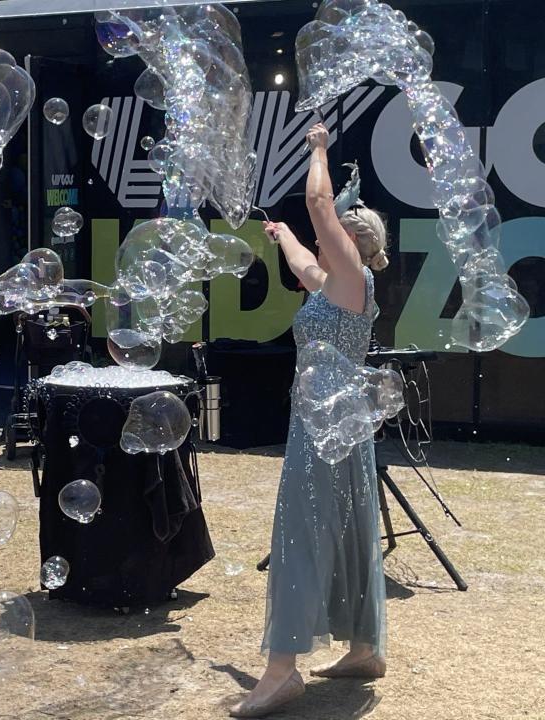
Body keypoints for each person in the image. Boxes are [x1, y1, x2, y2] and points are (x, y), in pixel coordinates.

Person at [229, 123, 390, 718]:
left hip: (323, 429)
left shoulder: (353, 278)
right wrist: (284, 235)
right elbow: (304, 257)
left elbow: (321, 203)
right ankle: (365, 649)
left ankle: (281, 672)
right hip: (339, 426)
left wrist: (319, 149)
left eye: (333, 232)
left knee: (300, 531)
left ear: (349, 242)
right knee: (348, 529)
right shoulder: (335, 287)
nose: (324, 235)